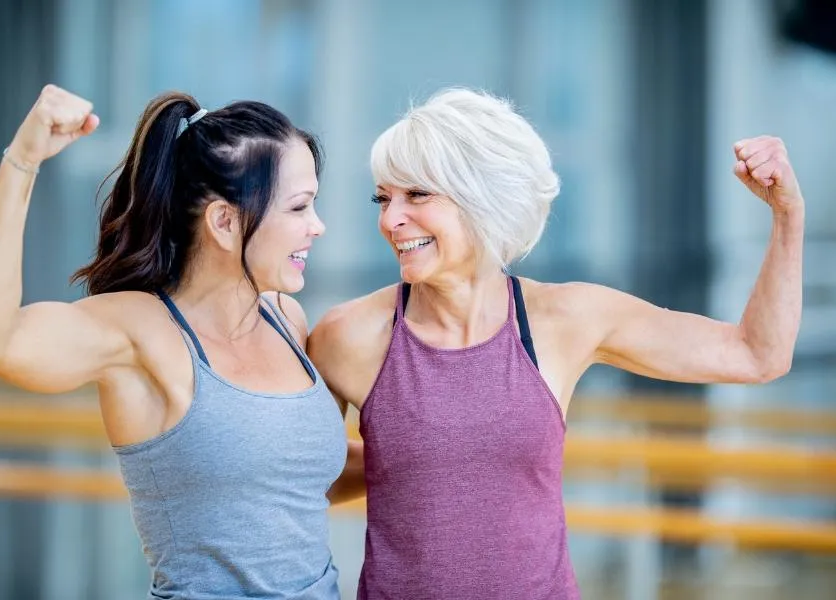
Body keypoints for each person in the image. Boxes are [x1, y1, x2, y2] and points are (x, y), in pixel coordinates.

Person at [308, 88, 804, 599]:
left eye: (417, 195)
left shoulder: (564, 319)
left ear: (481, 197)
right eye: (383, 198)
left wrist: (787, 216)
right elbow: (295, 481)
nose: (390, 220)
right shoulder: (348, 336)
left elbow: (757, 354)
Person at [0, 84, 360, 600]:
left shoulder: (285, 318)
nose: (317, 227)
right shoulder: (137, 330)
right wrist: (23, 160)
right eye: (299, 208)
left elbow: (295, 483)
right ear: (224, 221)